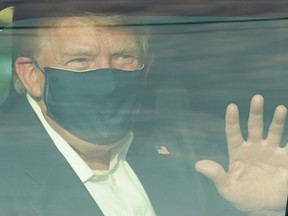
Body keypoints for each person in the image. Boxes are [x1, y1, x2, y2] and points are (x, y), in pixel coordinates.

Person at [0, 1, 287, 215]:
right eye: (80, 61)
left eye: (123, 56)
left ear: (145, 68)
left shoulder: (193, 157)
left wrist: (264, 210)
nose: (108, 79)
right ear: (32, 76)